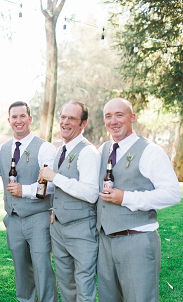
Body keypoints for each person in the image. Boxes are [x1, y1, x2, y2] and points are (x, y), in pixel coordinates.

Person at [96, 98, 180, 302]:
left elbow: (172, 193)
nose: (113, 121)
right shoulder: (103, 150)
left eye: (119, 115)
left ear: (132, 117)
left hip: (137, 241)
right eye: (108, 116)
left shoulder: (151, 151)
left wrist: (126, 197)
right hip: (105, 242)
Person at [39, 102, 100, 301]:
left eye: (72, 118)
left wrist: (54, 177)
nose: (65, 122)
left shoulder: (88, 152)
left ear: (83, 124)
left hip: (82, 230)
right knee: (66, 285)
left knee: (83, 287)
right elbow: (61, 188)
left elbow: (90, 193)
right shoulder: (61, 150)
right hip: (59, 229)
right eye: (63, 117)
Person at [0, 101, 57, 302]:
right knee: (21, 270)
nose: (18, 121)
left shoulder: (45, 148)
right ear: (9, 121)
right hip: (13, 219)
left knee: (42, 267)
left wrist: (25, 190)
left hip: (38, 217)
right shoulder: (2, 150)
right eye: (14, 117)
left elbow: (53, 184)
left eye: (22, 116)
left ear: (30, 119)